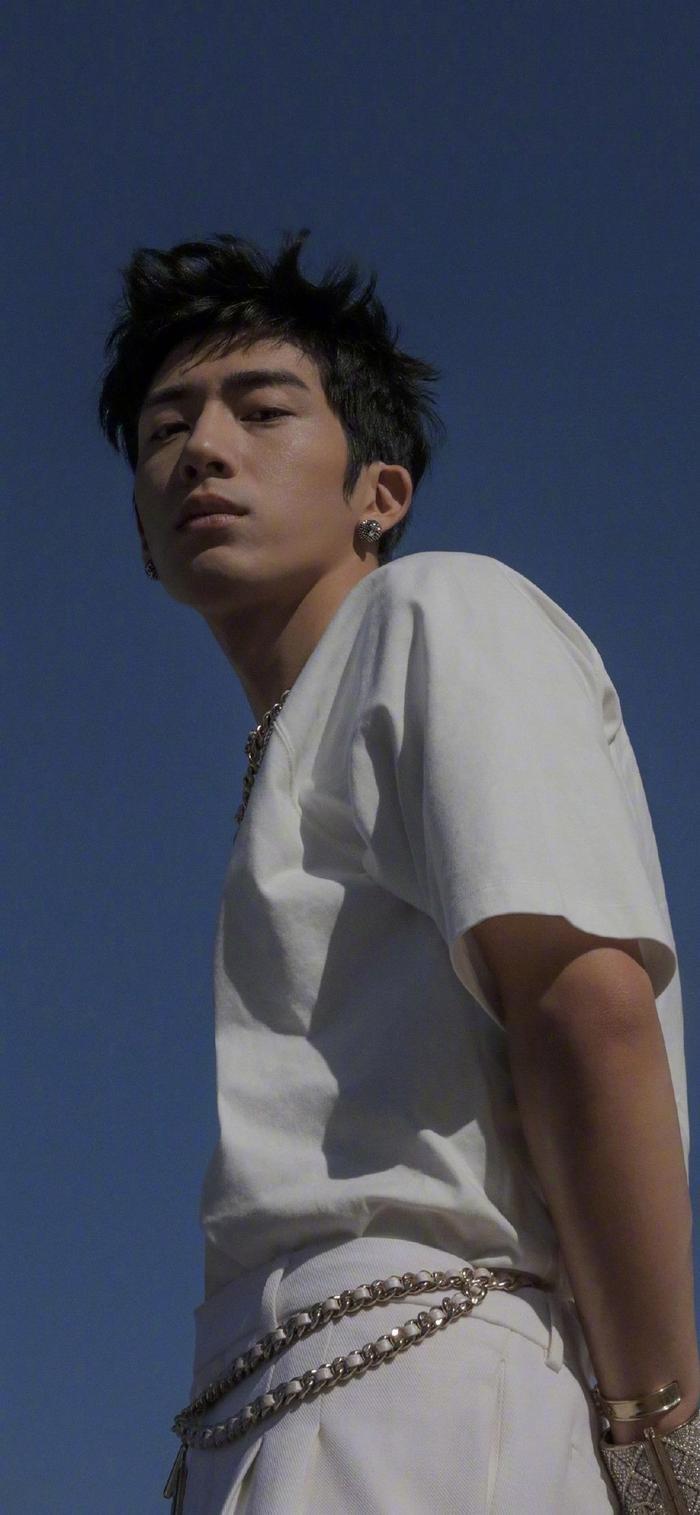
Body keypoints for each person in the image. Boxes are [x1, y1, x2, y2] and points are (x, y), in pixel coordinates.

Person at [98, 228, 699, 1513]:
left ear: (379, 491)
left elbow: (583, 1007)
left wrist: (664, 1440)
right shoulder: (287, 753)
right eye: (164, 429)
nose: (202, 449)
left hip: (436, 1406)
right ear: (143, 536)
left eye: (262, 410)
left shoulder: (437, 610)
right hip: (280, 1414)